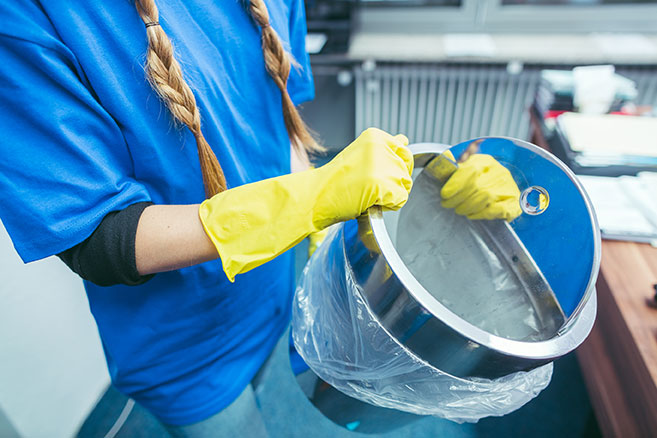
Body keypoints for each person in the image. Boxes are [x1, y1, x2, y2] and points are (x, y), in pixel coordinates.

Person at [0, 0, 521, 436]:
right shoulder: (28, 16)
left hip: (271, 286)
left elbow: (278, 113)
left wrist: (322, 220)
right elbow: (99, 240)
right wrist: (309, 199)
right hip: (184, 347)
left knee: (271, 384)